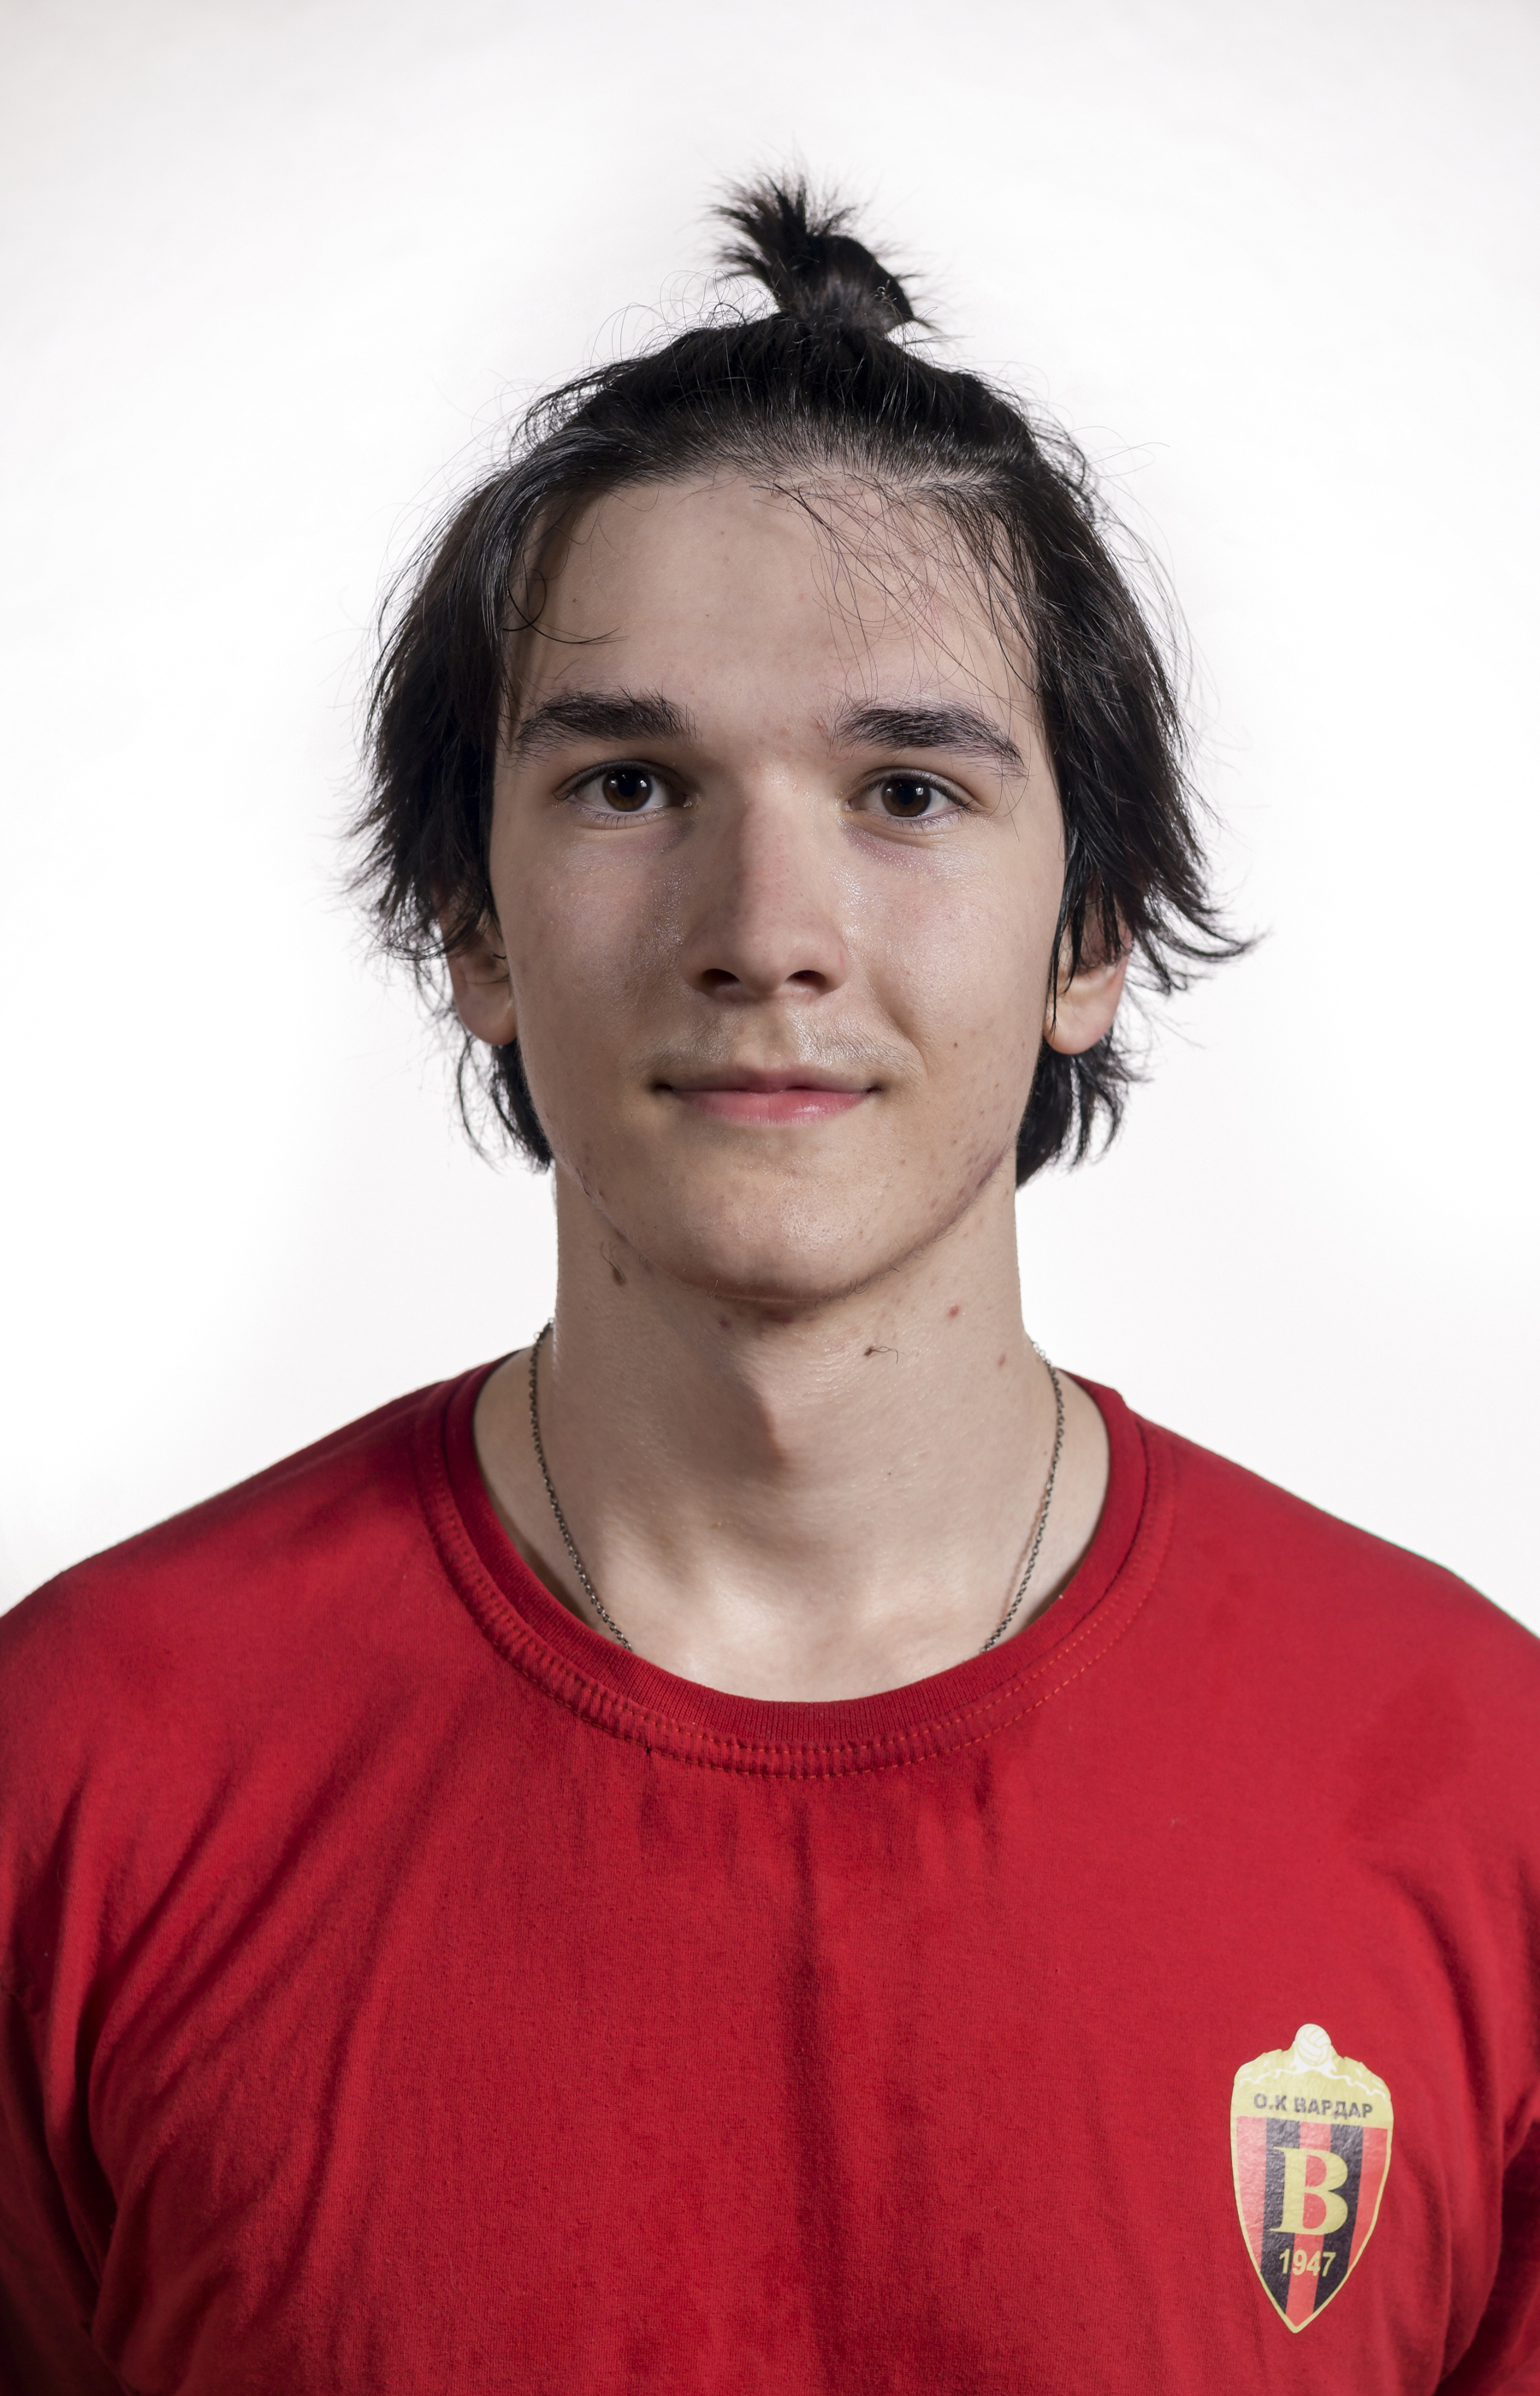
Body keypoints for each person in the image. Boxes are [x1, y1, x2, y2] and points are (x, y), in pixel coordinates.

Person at [1, 181, 1536, 2396]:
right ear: (473, 925)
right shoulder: (82, 1776)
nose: (767, 932)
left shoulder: (1479, 1784)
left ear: (1093, 935)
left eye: (907, 789)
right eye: (631, 783)